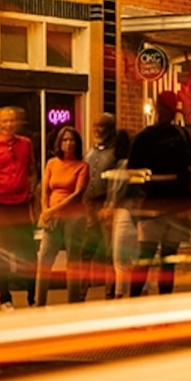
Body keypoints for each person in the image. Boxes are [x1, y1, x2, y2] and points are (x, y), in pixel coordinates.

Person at [122, 94, 191, 296]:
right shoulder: (180, 135)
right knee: (165, 259)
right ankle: (160, 307)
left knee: (149, 257)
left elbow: (133, 173)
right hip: (172, 203)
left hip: (156, 204)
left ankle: (137, 304)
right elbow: (188, 166)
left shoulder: (144, 137)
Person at [0, 108, 40, 308]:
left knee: (29, 254)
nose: (9, 125)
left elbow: (32, 170)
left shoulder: (26, 144)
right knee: (2, 254)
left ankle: (31, 298)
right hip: (0, 206)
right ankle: (5, 298)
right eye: (5, 122)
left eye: (12, 121)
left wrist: (32, 192)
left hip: (21, 205)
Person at [40, 124, 95, 303]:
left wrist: (53, 210)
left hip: (74, 216)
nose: (68, 143)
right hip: (52, 215)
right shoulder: (51, 163)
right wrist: (45, 211)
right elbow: (45, 190)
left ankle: (73, 301)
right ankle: (39, 301)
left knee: (73, 260)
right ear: (59, 143)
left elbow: (77, 193)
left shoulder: (82, 166)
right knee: (45, 258)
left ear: (77, 143)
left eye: (72, 140)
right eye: (65, 139)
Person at [84, 114, 129, 298]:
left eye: (101, 126)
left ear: (110, 129)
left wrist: (111, 205)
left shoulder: (116, 154)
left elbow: (119, 181)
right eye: (95, 125)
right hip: (90, 206)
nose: (96, 129)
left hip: (107, 206)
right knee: (86, 250)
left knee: (111, 252)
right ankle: (79, 293)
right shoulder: (91, 152)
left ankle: (110, 293)